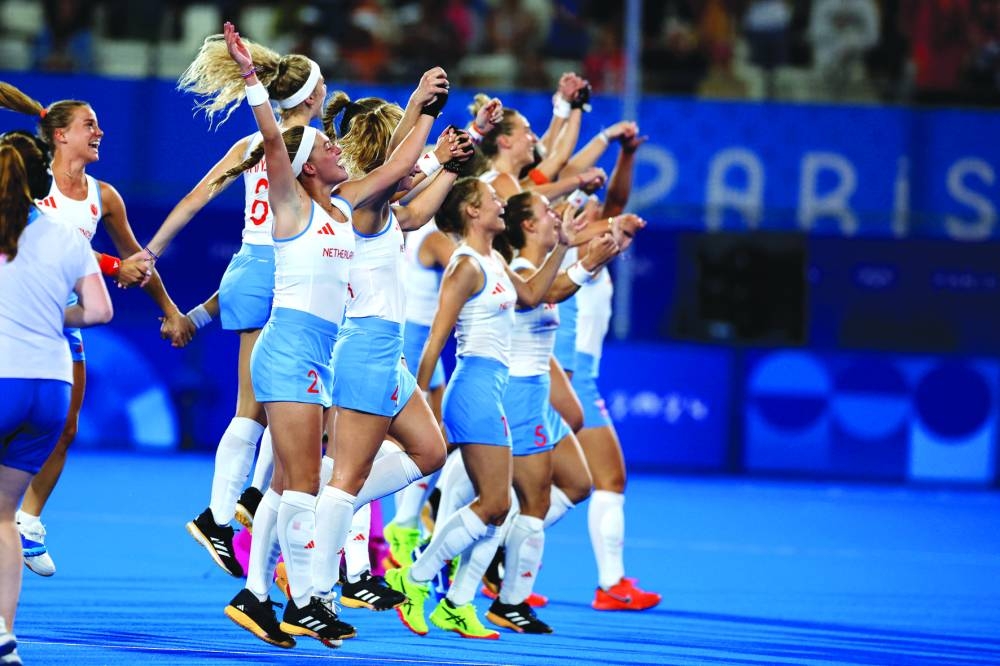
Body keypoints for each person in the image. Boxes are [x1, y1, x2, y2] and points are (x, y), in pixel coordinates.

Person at [214, 22, 447, 649]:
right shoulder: (290, 204)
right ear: (305, 163)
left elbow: (401, 166)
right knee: (299, 485)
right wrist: (253, 80)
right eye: (326, 148)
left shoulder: (342, 208)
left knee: (298, 483)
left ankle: (267, 597)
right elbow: (270, 137)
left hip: (317, 358)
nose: (338, 151)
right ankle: (305, 599)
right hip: (287, 350)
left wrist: (423, 107)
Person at [134, 33, 331, 577]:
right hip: (286, 275)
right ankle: (225, 514)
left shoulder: (246, 148)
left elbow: (194, 200)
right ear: (311, 99)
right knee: (284, 408)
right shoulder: (312, 148)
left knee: (259, 407)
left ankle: (234, 509)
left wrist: (152, 251)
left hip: (246, 268)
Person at [0, 82, 192, 577]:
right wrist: (111, 266)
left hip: (64, 320)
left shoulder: (104, 196)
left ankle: (28, 523)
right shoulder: (28, 184)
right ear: (59, 135)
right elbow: (89, 256)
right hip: (19, 313)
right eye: (89, 124)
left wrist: (170, 309)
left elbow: (137, 262)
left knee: (63, 427)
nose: (100, 131)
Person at [384, 177, 574, 639]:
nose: (499, 205)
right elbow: (435, 338)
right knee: (494, 502)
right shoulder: (465, 266)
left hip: (493, 390)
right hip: (471, 388)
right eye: (492, 200)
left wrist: (563, 248)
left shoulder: (495, 260)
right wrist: (419, 402)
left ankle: (451, 601)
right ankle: (414, 577)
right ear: (471, 211)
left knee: (498, 505)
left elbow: (532, 297)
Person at [307, 86, 470, 612]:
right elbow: (402, 168)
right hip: (363, 349)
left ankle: (322, 505)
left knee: (429, 451)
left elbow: (416, 214)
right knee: (348, 477)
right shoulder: (355, 200)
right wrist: (425, 106)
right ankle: (316, 587)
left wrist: (445, 168)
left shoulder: (380, 210)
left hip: (386, 351)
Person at [0, 132, 113, 666]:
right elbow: (98, 312)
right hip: (50, 388)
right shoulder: (68, 237)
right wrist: (49, 317)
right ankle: (4, 636)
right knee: (4, 519)